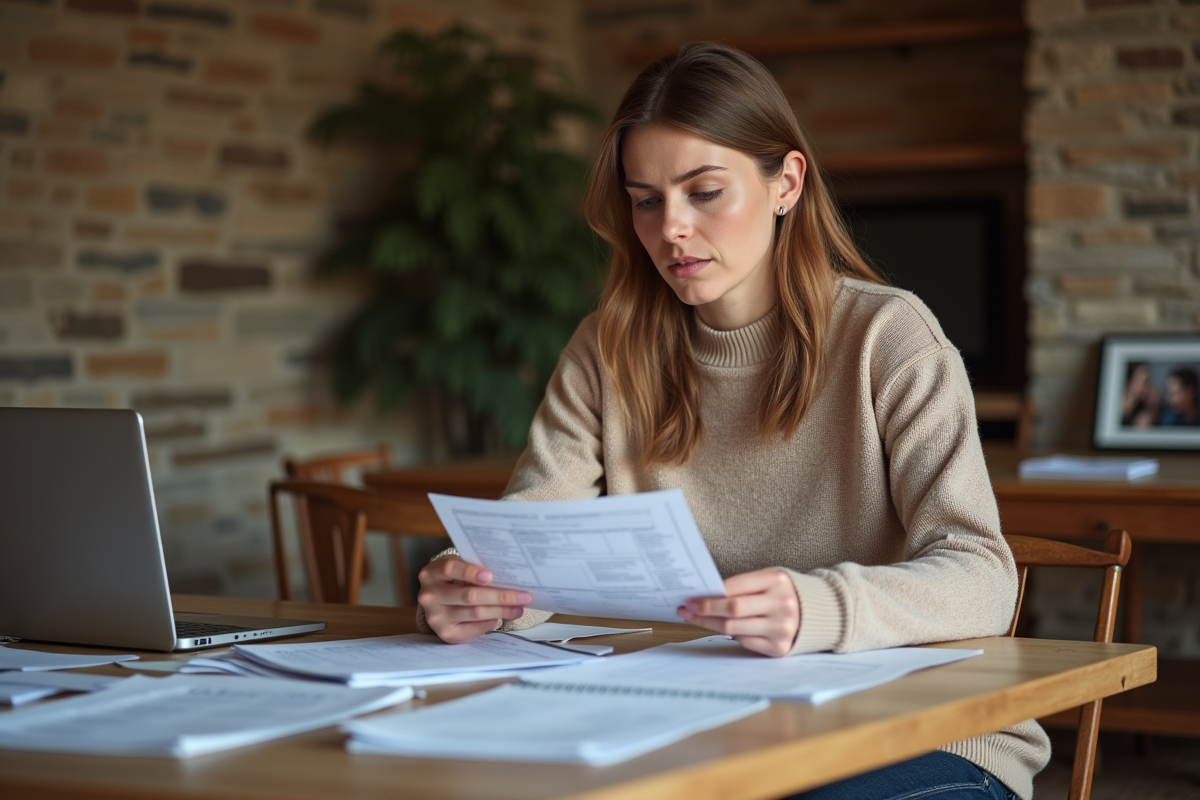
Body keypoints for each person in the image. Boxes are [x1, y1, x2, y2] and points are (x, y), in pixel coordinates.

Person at [416, 42, 1046, 800]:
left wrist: (818, 606)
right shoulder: (606, 348)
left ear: (786, 183)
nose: (670, 229)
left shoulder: (890, 336)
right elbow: (536, 534)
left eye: (703, 191)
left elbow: (983, 577)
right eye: (646, 199)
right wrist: (482, 592)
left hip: (922, 736)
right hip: (705, 726)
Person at [1120, 361, 1159, 428]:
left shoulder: (1144, 407)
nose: (1148, 387)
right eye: (1145, 382)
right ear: (1130, 382)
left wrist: (1153, 408)